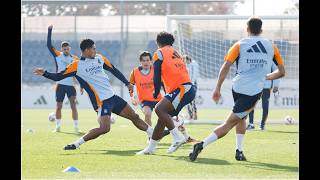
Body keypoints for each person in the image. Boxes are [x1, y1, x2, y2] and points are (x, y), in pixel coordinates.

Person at [189, 16, 285, 161]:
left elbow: (226, 66)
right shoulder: (272, 47)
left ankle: (239, 151)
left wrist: (217, 88)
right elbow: (281, 72)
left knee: (241, 118)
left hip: (237, 87)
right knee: (230, 122)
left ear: (247, 29)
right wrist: (266, 77)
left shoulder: (239, 44)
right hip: (252, 91)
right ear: (261, 30)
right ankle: (201, 145)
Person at [34, 39, 154, 150]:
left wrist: (127, 83)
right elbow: (59, 76)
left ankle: (153, 133)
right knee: (105, 128)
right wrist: (45, 73)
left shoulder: (99, 58)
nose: (95, 50)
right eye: (93, 48)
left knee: (134, 116)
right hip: (101, 102)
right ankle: (76, 144)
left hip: (113, 97)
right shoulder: (77, 65)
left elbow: (114, 70)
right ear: (86, 50)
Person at [136, 31, 197, 155]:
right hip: (187, 88)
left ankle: (178, 137)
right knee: (162, 119)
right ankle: (151, 148)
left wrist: (156, 92)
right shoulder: (176, 52)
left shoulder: (159, 53)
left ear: (158, 42)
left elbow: (157, 75)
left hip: (182, 89)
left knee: (159, 109)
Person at [129, 51, 197, 143]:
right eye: (144, 60)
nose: (146, 62)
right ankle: (150, 136)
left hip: (158, 99)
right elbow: (131, 85)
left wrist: (168, 96)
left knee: (174, 117)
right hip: (145, 101)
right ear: (140, 61)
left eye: (148, 60)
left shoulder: (156, 71)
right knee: (147, 113)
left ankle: (186, 136)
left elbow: (163, 84)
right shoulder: (135, 72)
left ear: (151, 61)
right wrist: (132, 97)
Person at [47, 25, 80, 133]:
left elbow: (79, 72)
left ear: (69, 48)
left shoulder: (75, 58)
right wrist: (49, 31)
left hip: (71, 85)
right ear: (62, 49)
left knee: (73, 106)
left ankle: (76, 127)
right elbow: (48, 45)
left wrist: (82, 84)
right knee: (58, 106)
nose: (66, 50)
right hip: (60, 84)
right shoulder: (57, 55)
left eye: (67, 48)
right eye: (64, 49)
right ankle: (58, 127)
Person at [247, 62, 280, 130]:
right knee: (251, 105)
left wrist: (276, 85)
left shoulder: (271, 60)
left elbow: (277, 71)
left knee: (265, 106)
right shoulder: (257, 59)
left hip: (266, 87)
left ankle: (262, 125)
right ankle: (251, 124)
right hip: (255, 86)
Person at [183, 55, 199, 120]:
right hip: (187, 84)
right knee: (187, 100)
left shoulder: (193, 64)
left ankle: (194, 115)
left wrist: (191, 84)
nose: (184, 61)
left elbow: (194, 75)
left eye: (184, 60)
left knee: (192, 100)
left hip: (192, 84)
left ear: (187, 59)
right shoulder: (186, 66)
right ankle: (190, 115)